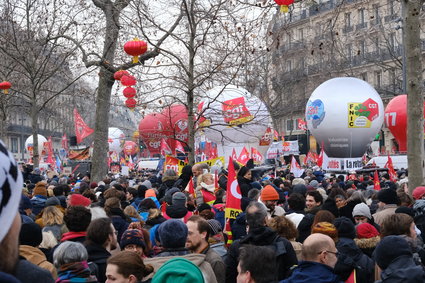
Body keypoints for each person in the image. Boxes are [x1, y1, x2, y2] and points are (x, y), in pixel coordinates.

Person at [226, 202, 297, 282]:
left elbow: (229, 276)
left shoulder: (236, 246)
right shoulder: (283, 243)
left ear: (247, 221)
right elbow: (293, 273)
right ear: (266, 220)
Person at [186, 215, 226, 283]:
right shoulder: (188, 255)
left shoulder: (214, 261)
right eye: (185, 233)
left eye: (190, 233)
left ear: (203, 234)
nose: (186, 237)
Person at [84, 217, 119, 283]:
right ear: (109, 237)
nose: (116, 236)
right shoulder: (110, 265)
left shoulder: (82, 260)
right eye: (115, 233)